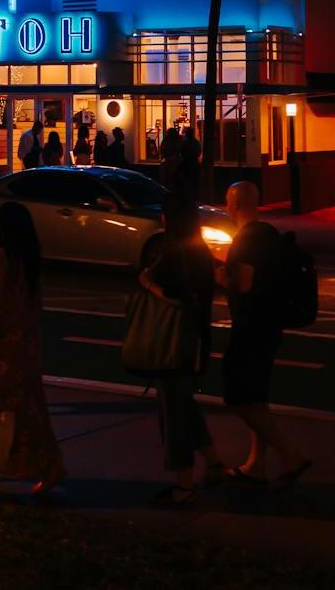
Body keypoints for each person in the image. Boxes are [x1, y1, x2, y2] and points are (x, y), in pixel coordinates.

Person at [215, 180, 309, 485]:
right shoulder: (268, 233)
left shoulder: (245, 239)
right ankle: (256, 464)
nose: (225, 206)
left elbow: (243, 283)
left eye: (228, 201)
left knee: (238, 397)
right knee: (256, 397)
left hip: (250, 327)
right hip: (271, 323)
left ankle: (291, 455)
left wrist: (219, 276)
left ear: (236, 204)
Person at [137, 193, 228, 506]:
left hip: (171, 341)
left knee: (173, 411)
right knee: (184, 404)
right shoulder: (200, 250)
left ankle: (184, 485)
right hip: (196, 339)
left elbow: (173, 295)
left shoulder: (173, 252)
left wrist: (147, 282)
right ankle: (214, 461)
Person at [0, 201, 65, 496]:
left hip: (5, 345)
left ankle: (45, 465)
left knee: (8, 408)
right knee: (24, 405)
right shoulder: (29, 259)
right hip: (26, 341)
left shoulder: (3, 258)